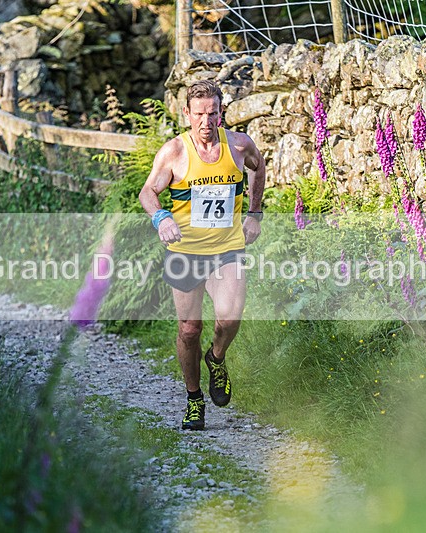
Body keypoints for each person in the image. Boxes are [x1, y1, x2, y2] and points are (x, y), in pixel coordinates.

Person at [139, 79, 266, 430]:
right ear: (187, 114)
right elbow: (147, 192)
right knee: (190, 329)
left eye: (212, 113)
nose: (206, 122)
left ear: (221, 112)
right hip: (185, 253)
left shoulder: (239, 146)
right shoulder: (175, 152)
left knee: (230, 318)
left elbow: (259, 167)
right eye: (199, 114)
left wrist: (254, 213)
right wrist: (161, 217)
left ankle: (217, 358)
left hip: (226, 249)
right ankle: (195, 400)